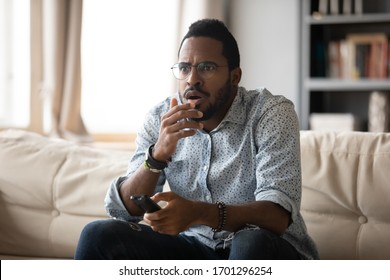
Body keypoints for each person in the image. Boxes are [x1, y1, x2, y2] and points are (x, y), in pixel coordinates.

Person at [74, 18, 319, 260]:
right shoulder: (161, 117)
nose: (192, 79)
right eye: (184, 68)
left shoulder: (270, 112)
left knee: (250, 239)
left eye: (207, 67)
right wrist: (157, 155)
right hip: (194, 248)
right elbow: (123, 210)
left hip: (268, 248)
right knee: (98, 235)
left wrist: (198, 213)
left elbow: (276, 217)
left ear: (235, 76)